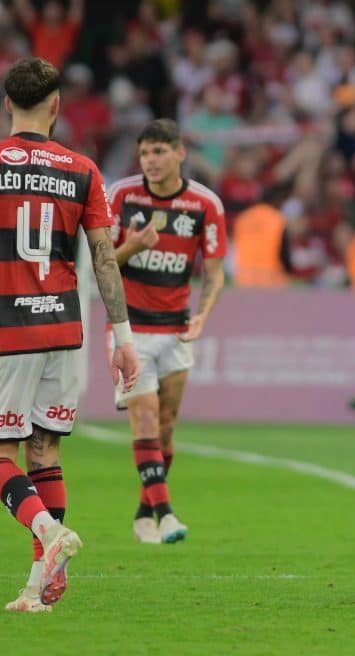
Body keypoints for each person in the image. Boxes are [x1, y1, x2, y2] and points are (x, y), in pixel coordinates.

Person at [0, 57, 139, 612]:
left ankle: (48, 534)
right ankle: (38, 588)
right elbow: (104, 258)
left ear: (7, 104)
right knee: (44, 451)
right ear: (56, 106)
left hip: (5, 329)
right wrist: (123, 338)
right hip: (61, 326)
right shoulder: (82, 169)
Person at [107, 119, 227, 545]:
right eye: (144, 154)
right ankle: (166, 513)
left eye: (159, 152)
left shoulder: (204, 204)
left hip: (176, 329)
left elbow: (214, 274)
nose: (151, 161)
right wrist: (133, 247)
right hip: (129, 330)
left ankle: (144, 510)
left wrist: (202, 315)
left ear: (180, 153)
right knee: (144, 416)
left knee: (168, 427)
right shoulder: (120, 196)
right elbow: (99, 265)